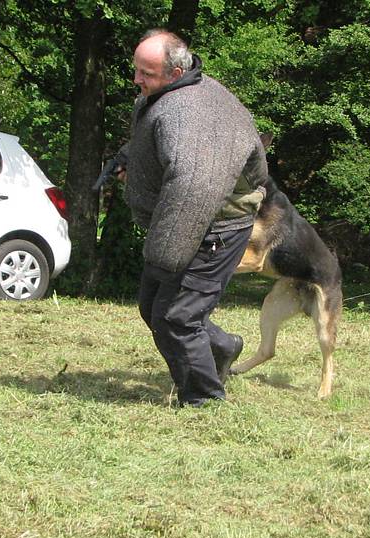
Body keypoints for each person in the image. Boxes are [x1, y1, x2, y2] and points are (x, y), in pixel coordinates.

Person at [117, 29, 268, 407]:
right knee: (153, 307)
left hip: (212, 229)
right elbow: (157, 146)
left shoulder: (191, 113)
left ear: (174, 72)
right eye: (136, 70)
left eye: (146, 74)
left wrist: (166, 257)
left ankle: (204, 401)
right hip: (185, 225)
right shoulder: (167, 96)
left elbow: (193, 188)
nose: (137, 80)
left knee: (176, 319)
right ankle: (222, 346)